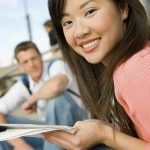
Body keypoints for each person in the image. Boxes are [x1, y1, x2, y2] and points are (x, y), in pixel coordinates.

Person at [43, 0, 150, 149]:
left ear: (123, 8)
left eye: (90, 11)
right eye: (67, 22)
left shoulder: (135, 69)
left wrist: (103, 133)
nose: (80, 32)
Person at [0, 41, 87, 150]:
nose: (31, 64)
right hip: (50, 132)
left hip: (78, 126)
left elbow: (55, 86)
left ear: (41, 57)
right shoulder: (24, 84)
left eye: (34, 58)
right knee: (4, 123)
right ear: (21, 67)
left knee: (56, 98)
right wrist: (19, 144)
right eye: (26, 62)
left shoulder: (55, 65)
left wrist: (32, 99)